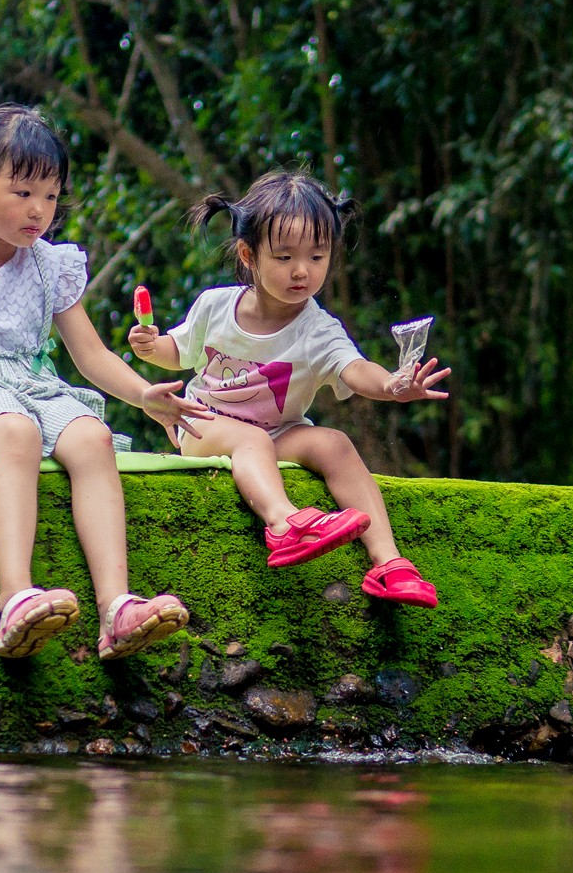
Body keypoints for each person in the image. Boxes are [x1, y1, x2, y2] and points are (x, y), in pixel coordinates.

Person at [0, 104, 206, 658]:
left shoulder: (49, 266)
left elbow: (89, 354)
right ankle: (15, 599)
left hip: (34, 385)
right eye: (23, 193)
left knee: (92, 438)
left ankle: (117, 608)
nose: (39, 212)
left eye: (51, 197)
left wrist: (141, 393)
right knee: (18, 434)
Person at [128, 170, 450, 607]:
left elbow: (355, 369)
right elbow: (177, 353)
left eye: (317, 257)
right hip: (206, 425)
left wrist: (393, 386)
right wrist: (150, 346)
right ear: (249, 254)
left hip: (280, 432)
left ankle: (389, 563)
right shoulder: (215, 305)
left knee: (334, 443)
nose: (302, 271)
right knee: (250, 439)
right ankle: (283, 525)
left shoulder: (318, 328)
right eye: (284, 258)